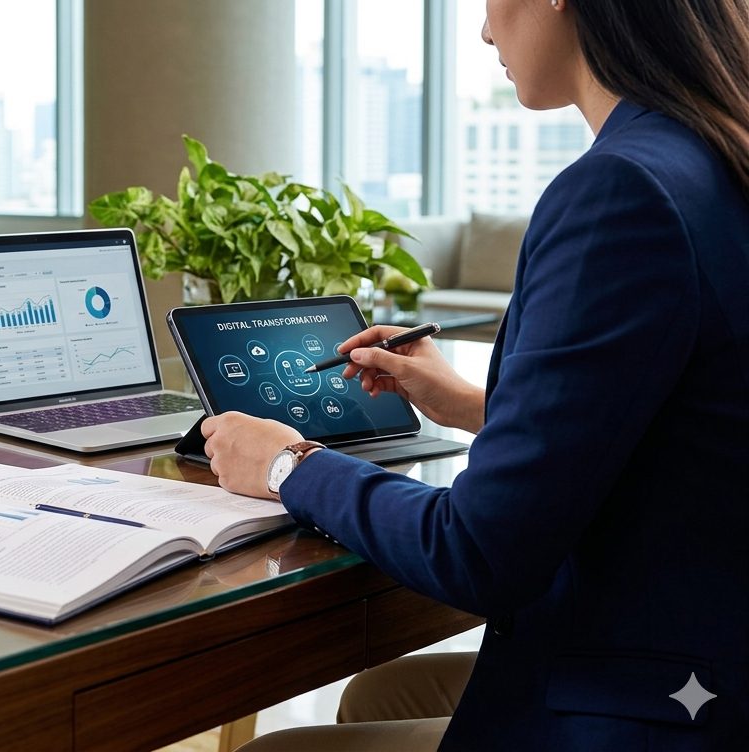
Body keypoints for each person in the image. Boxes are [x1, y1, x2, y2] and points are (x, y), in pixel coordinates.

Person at [205, 0, 749, 749]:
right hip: (709, 655)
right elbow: (683, 425)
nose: (486, 30)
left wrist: (285, 464)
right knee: (379, 697)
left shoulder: (623, 191)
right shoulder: (715, 155)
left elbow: (479, 555)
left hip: (652, 703)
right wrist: (470, 404)